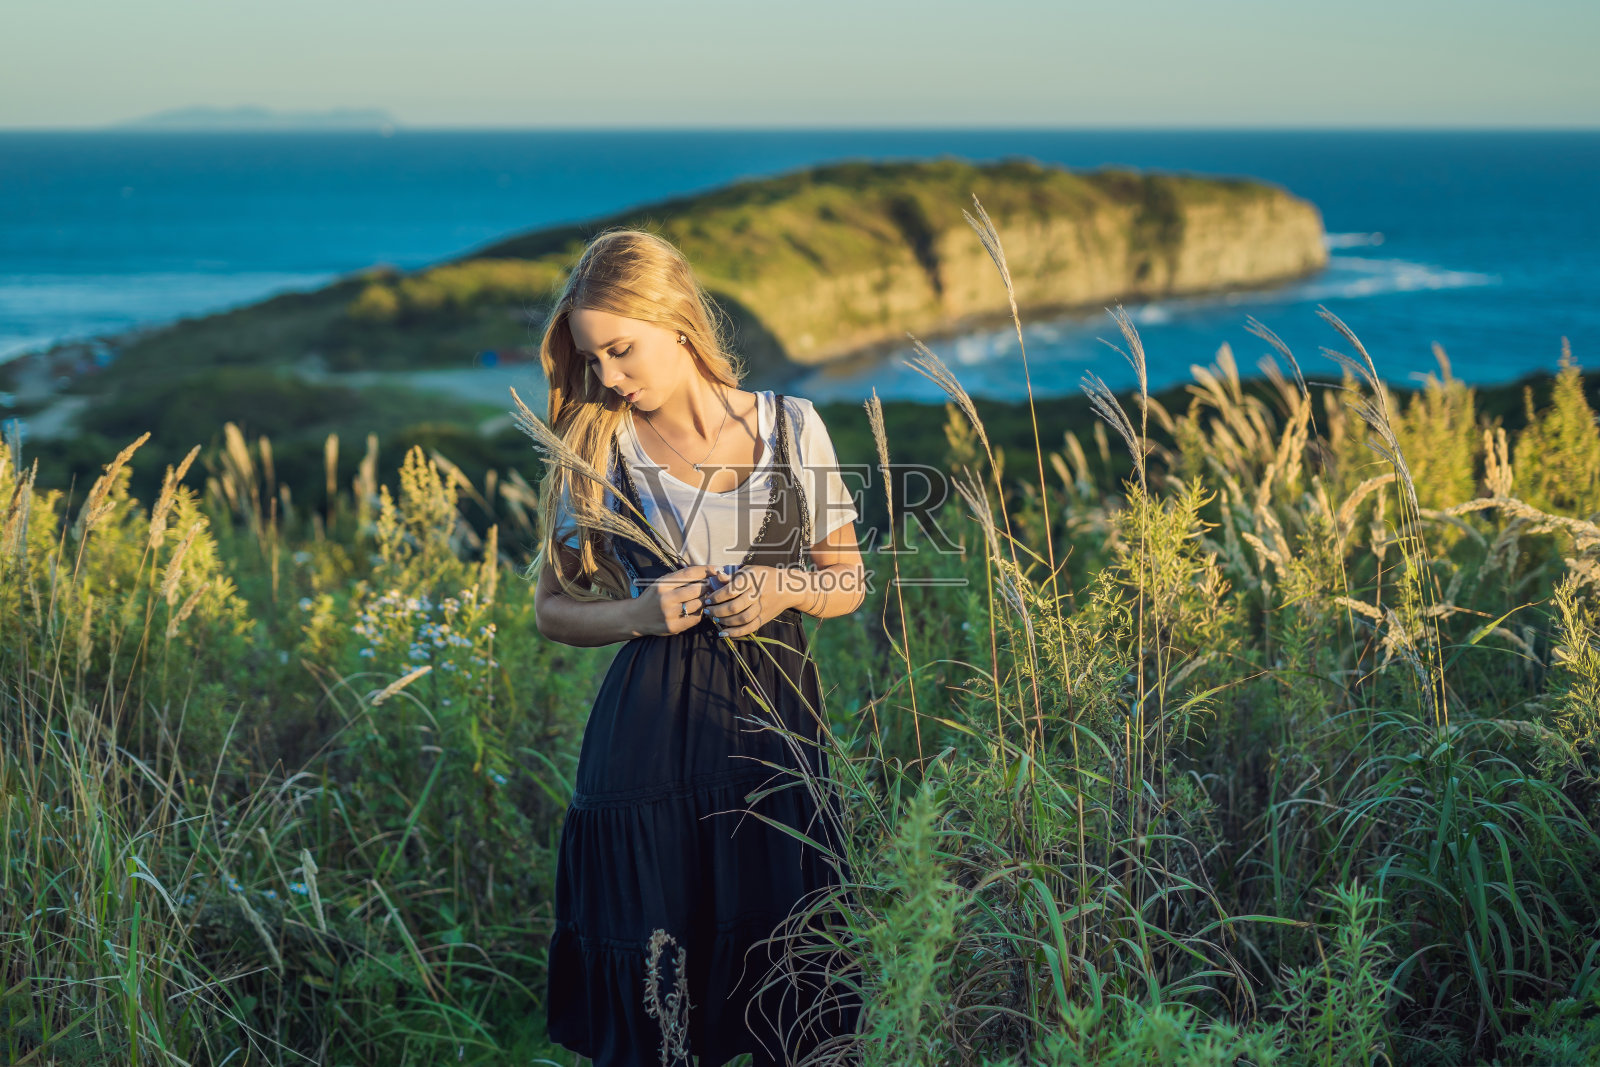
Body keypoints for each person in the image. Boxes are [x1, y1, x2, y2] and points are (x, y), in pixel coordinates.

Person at [529, 228, 867, 1066]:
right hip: (643, 757)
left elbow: (848, 581)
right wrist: (636, 615)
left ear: (676, 320)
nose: (606, 375)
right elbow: (551, 609)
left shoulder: (795, 428)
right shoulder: (599, 447)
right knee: (659, 992)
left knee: (793, 978)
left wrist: (785, 586)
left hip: (773, 742)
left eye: (621, 349)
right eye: (592, 356)